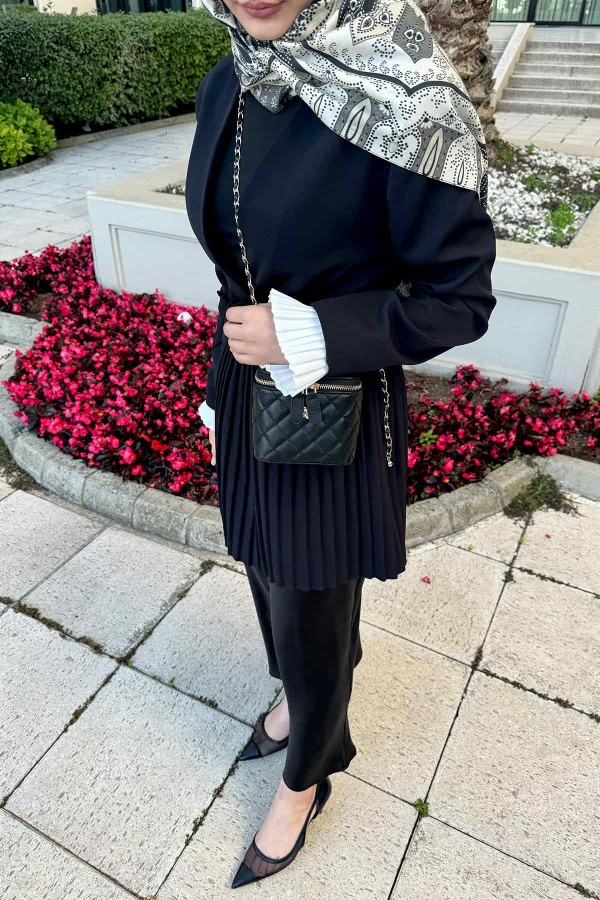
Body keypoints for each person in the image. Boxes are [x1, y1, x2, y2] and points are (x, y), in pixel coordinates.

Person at [185, 0, 496, 887]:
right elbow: (239, 260)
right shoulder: (231, 78)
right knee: (264, 564)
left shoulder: (406, 98)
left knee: (311, 602)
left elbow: (459, 298)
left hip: (333, 405)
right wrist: (223, 381)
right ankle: (300, 698)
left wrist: (306, 334)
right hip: (248, 384)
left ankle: (308, 775)